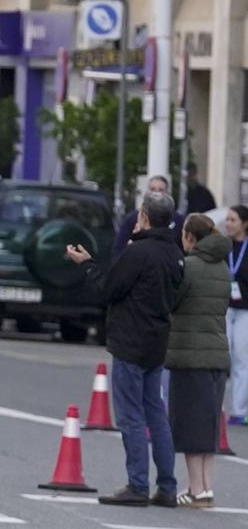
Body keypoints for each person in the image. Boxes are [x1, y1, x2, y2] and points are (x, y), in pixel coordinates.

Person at [68, 189, 186, 506]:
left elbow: (109, 288)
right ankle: (167, 486)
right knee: (156, 414)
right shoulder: (175, 254)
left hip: (130, 340)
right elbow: (176, 297)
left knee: (131, 416)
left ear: (144, 216)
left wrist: (87, 264)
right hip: (157, 340)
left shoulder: (139, 253)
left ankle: (137, 484)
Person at [163, 214, 230, 507]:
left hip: (189, 353)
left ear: (190, 236)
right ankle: (206, 487)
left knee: (190, 424)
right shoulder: (223, 267)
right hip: (218, 352)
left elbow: (173, 300)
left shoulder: (189, 266)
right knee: (209, 423)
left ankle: (195, 489)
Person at [115, 176, 184, 250]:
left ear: (167, 193)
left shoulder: (178, 220)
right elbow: (119, 248)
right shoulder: (131, 219)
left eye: (161, 190)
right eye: (152, 189)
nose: (156, 193)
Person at [225, 205, 248, 426]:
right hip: (225, 308)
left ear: (244, 223)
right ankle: (220, 405)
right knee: (225, 355)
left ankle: (238, 409)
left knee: (241, 357)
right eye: (228, 220)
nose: (229, 224)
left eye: (233, 220)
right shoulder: (224, 246)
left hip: (245, 311)